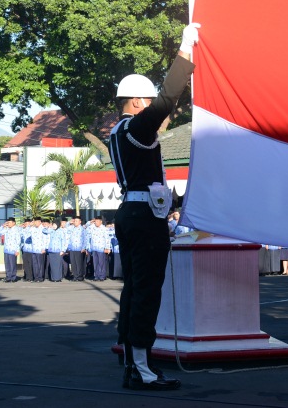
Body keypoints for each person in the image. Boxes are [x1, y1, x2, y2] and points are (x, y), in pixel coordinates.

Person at [112, 21, 198, 391]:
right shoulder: (135, 128)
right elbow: (168, 97)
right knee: (146, 292)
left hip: (133, 212)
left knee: (134, 289)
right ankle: (143, 368)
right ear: (135, 103)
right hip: (142, 217)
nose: (156, 112)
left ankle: (134, 363)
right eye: (147, 104)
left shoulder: (118, 132)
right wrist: (185, 52)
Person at [87, 216, 111, 281]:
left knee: (101, 263)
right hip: (94, 248)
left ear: (101, 221)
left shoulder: (104, 229)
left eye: (97, 221)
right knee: (95, 263)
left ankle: (102, 276)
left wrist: (107, 248)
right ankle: (96, 276)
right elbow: (86, 228)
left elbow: (107, 239)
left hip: (101, 248)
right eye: (95, 221)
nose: (96, 223)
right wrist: (90, 222)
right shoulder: (92, 228)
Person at [0, 217, 22, 282]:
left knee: (12, 264)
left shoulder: (16, 230)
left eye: (9, 222)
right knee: (7, 264)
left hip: (13, 250)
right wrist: (2, 226)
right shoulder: (6, 229)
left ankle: (13, 277)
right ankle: (8, 277)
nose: (8, 224)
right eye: (8, 222)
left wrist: (17, 250)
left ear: (14, 223)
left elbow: (18, 240)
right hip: (6, 250)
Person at [67, 217, 87, 282]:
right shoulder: (72, 228)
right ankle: (75, 276)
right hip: (72, 248)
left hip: (79, 249)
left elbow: (85, 239)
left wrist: (84, 248)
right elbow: (66, 227)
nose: (75, 222)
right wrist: (69, 222)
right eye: (74, 221)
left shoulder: (82, 229)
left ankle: (80, 276)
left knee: (79, 263)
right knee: (73, 263)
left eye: (76, 221)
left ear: (80, 222)